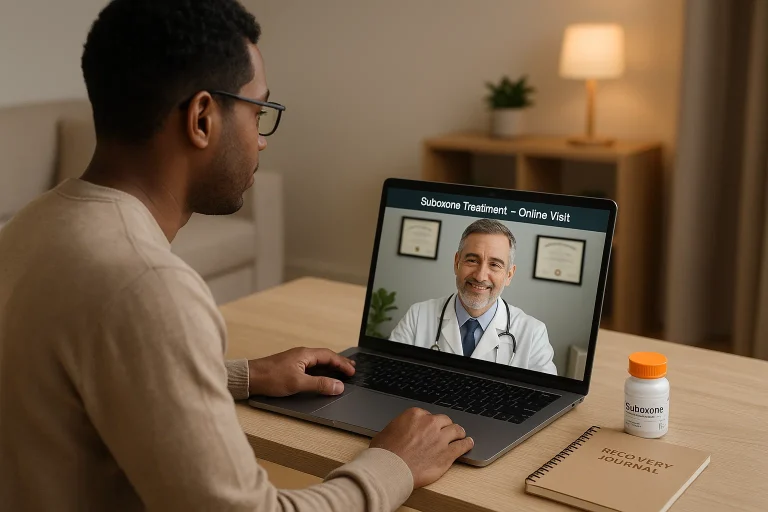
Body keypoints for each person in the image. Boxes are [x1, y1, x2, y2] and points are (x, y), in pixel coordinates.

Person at [0, 1, 473, 510]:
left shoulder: (31, 225)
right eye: (258, 112)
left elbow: (73, 379)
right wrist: (393, 463)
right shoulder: (147, 284)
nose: (262, 142)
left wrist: (240, 375)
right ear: (202, 118)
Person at [389, 219, 558, 374]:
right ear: (457, 263)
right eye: (472, 260)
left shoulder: (533, 333)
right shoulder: (417, 315)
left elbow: (544, 398)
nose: (480, 276)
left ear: (509, 275)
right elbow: (391, 373)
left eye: (494, 264)